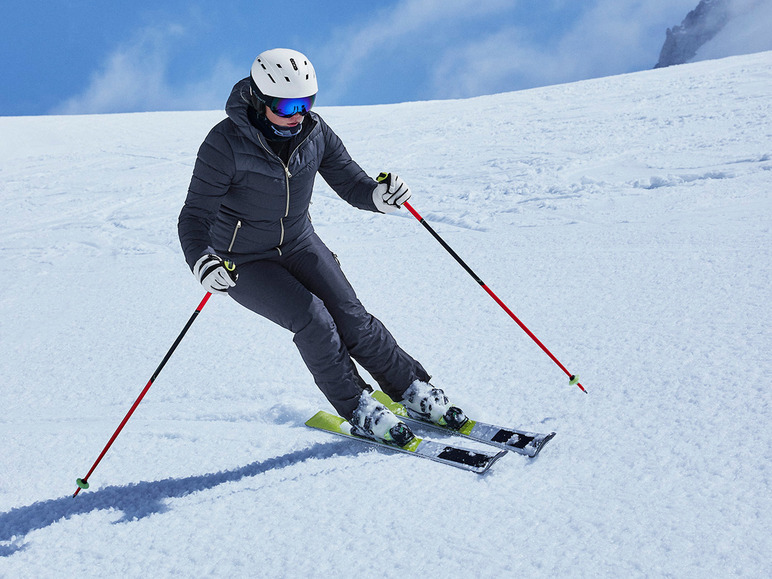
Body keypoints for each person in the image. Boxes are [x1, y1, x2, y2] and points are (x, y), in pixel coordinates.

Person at [178, 48, 466, 446]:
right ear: (260, 102)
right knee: (313, 321)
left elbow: (351, 182)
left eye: (306, 103)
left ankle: (413, 390)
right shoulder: (223, 144)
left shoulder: (314, 132)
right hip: (241, 260)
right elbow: (194, 216)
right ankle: (358, 407)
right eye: (287, 106)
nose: (298, 115)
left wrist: (378, 196)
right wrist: (202, 261)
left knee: (354, 320)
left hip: (299, 242)